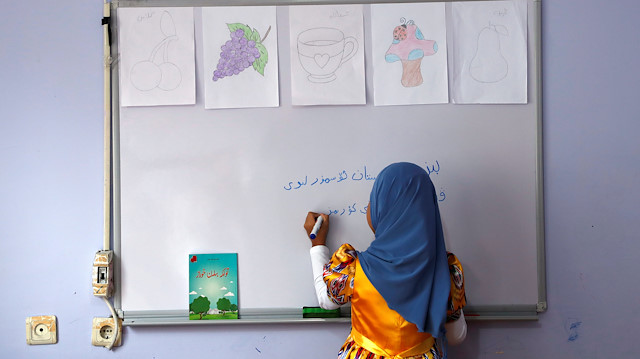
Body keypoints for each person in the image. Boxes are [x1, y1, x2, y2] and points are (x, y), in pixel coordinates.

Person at [304, 162, 467, 359]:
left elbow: (326, 300)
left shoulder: (353, 268)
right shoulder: (445, 271)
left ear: (383, 210)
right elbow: (456, 336)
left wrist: (317, 244)